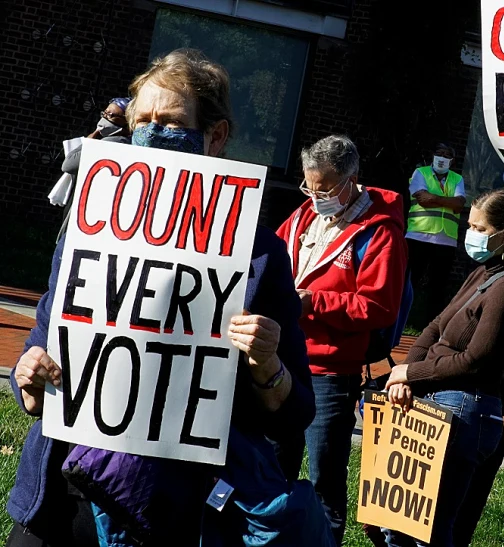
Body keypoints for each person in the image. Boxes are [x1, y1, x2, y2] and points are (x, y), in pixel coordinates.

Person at [7, 49, 320, 546]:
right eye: (143, 121)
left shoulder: (258, 256)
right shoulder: (89, 232)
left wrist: (267, 365)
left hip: (172, 511)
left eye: (171, 122)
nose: (152, 132)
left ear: (215, 136)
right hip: (62, 498)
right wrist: (29, 374)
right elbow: (39, 354)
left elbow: (295, 415)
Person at [384, 187, 504, 547]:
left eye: (480, 229)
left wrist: (412, 374)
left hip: (465, 412)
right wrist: (404, 376)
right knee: (397, 524)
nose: (471, 234)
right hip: (434, 400)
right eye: (470, 226)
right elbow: (435, 326)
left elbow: (476, 361)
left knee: (429, 531)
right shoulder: (483, 272)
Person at [276, 135, 408, 546]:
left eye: (325, 189)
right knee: (274, 467)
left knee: (324, 478)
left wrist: (313, 302)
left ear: (352, 180)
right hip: (282, 360)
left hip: (331, 372)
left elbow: (379, 306)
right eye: (309, 186)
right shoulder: (303, 215)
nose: (316, 197)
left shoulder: (380, 231)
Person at [51, 98, 134, 240]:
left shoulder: (111, 142)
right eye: (104, 113)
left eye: (111, 115)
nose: (105, 118)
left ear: (127, 123)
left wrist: (91, 138)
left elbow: (68, 164)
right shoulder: (123, 142)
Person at [406, 142, 467, 325]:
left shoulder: (457, 178)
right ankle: (401, 319)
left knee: (438, 287)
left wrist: (433, 198)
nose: (442, 157)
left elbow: (459, 204)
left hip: (446, 240)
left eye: (447, 155)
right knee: (409, 281)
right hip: (418, 236)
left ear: (452, 161)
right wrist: (447, 201)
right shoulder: (420, 173)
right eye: (439, 153)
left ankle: (430, 326)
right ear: (432, 156)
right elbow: (422, 200)